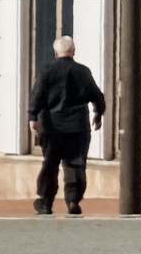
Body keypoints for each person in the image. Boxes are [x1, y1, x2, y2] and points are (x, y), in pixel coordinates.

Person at [27, 36, 104, 216]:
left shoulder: (47, 70)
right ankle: (73, 200)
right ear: (73, 51)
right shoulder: (83, 71)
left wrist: (33, 116)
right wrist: (98, 114)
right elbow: (97, 96)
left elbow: (37, 94)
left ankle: (45, 202)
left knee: (50, 164)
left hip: (52, 127)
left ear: (55, 52)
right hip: (78, 127)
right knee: (75, 164)